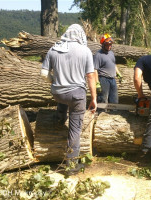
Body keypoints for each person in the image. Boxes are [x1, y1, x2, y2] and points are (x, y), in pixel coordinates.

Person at [40, 24, 97, 174]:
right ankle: (71, 166)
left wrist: (55, 82)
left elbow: (43, 74)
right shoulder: (85, 51)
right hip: (76, 95)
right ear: (80, 35)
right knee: (75, 130)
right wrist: (94, 98)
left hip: (58, 93)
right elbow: (90, 76)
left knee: (63, 99)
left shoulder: (54, 48)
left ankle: (59, 119)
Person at [93, 33, 122, 104]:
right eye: (107, 45)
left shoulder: (111, 53)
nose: (109, 46)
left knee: (114, 99)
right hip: (103, 79)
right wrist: (97, 83)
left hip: (112, 79)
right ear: (103, 44)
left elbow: (113, 64)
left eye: (110, 44)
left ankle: (113, 113)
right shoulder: (98, 55)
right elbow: (95, 70)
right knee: (103, 99)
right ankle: (101, 113)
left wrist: (118, 73)